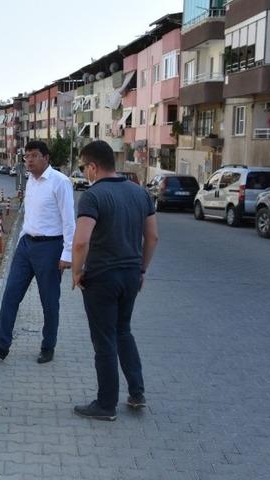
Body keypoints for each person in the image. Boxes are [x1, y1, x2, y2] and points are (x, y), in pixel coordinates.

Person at [70, 140, 159, 421]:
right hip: (131, 275)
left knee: (104, 340)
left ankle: (106, 404)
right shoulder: (139, 193)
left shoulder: (93, 196)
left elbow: (82, 241)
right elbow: (153, 237)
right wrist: (142, 270)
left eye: (84, 167)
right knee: (123, 331)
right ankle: (137, 393)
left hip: (102, 278)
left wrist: (76, 271)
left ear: (94, 167)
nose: (84, 172)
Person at [0, 140, 75, 364]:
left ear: (46, 158)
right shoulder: (30, 180)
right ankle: (2, 344)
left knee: (49, 301)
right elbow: (29, 214)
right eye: (26, 156)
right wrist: (22, 236)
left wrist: (67, 255)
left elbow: (69, 222)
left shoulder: (60, 182)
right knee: (10, 295)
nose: (28, 160)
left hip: (50, 248)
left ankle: (48, 346)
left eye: (33, 156)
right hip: (26, 246)